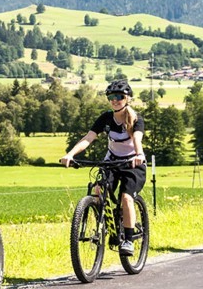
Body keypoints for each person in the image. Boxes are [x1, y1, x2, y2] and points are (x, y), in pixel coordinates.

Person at [59, 79, 146, 256]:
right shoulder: (106, 118)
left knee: (126, 198)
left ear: (127, 98)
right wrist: (70, 154)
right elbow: (88, 138)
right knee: (98, 191)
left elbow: (137, 139)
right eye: (111, 97)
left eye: (119, 97)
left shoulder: (136, 119)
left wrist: (139, 155)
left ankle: (128, 239)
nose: (115, 100)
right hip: (112, 161)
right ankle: (107, 225)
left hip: (132, 164)